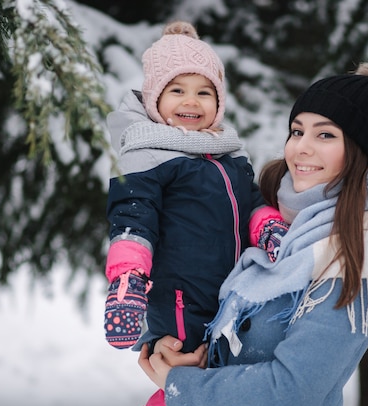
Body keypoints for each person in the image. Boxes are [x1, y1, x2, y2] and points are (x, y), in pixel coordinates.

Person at [138, 58, 368, 406]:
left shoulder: (363, 251)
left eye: (325, 135)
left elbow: (290, 394)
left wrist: (181, 384)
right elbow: (194, 278)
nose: (301, 148)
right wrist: (169, 345)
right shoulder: (275, 219)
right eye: (296, 131)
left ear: (360, 150)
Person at [103, 21, 287, 356]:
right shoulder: (147, 154)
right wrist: (128, 279)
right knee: (184, 370)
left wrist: (267, 225)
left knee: (223, 377)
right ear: (154, 99)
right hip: (178, 301)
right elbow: (132, 219)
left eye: (204, 92)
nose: (192, 101)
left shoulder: (227, 152)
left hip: (231, 291)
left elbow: (251, 200)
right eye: (177, 91)